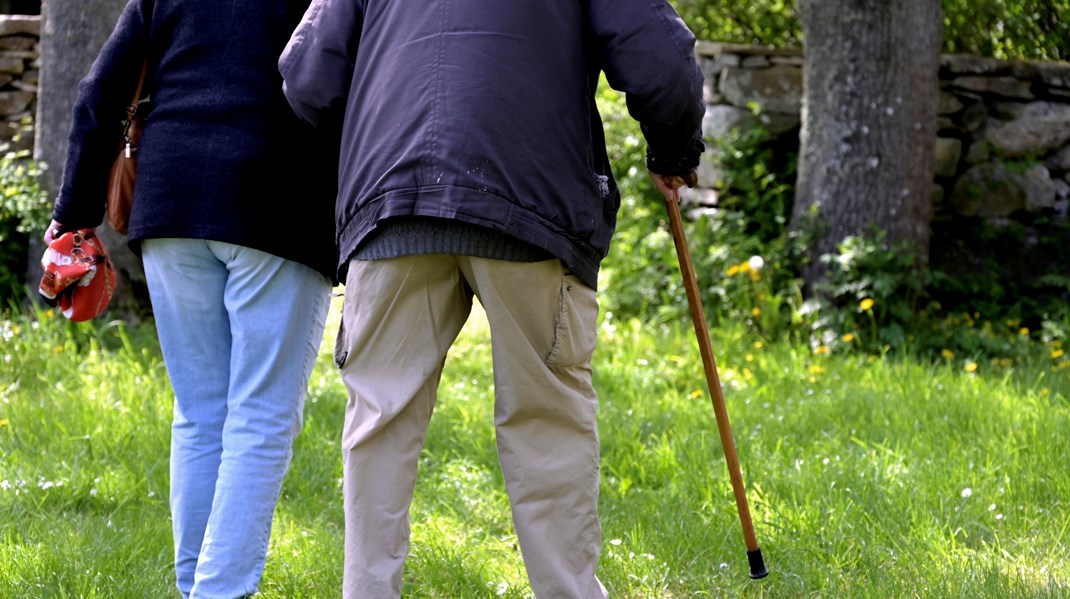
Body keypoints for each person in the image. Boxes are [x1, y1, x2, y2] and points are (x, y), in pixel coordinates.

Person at [279, 0, 704, 596]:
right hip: (531, 198)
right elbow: (660, 56)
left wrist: (382, 118)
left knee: (380, 420)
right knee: (546, 419)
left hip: (393, 199)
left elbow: (309, 77)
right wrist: (675, 152)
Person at [44, 1, 338, 596]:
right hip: (278, 197)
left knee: (201, 412)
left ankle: (195, 586)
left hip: (170, 196)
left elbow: (99, 91)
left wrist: (73, 215)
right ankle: (219, 591)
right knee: (260, 414)